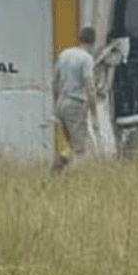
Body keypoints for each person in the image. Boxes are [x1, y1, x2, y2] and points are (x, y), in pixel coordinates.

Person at [51, 26, 99, 173]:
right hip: (75, 104)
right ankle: (72, 180)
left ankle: (57, 169)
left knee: (70, 144)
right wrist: (94, 114)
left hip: (61, 103)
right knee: (80, 149)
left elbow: (54, 83)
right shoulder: (86, 58)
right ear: (93, 41)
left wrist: (56, 105)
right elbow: (89, 87)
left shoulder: (64, 54)